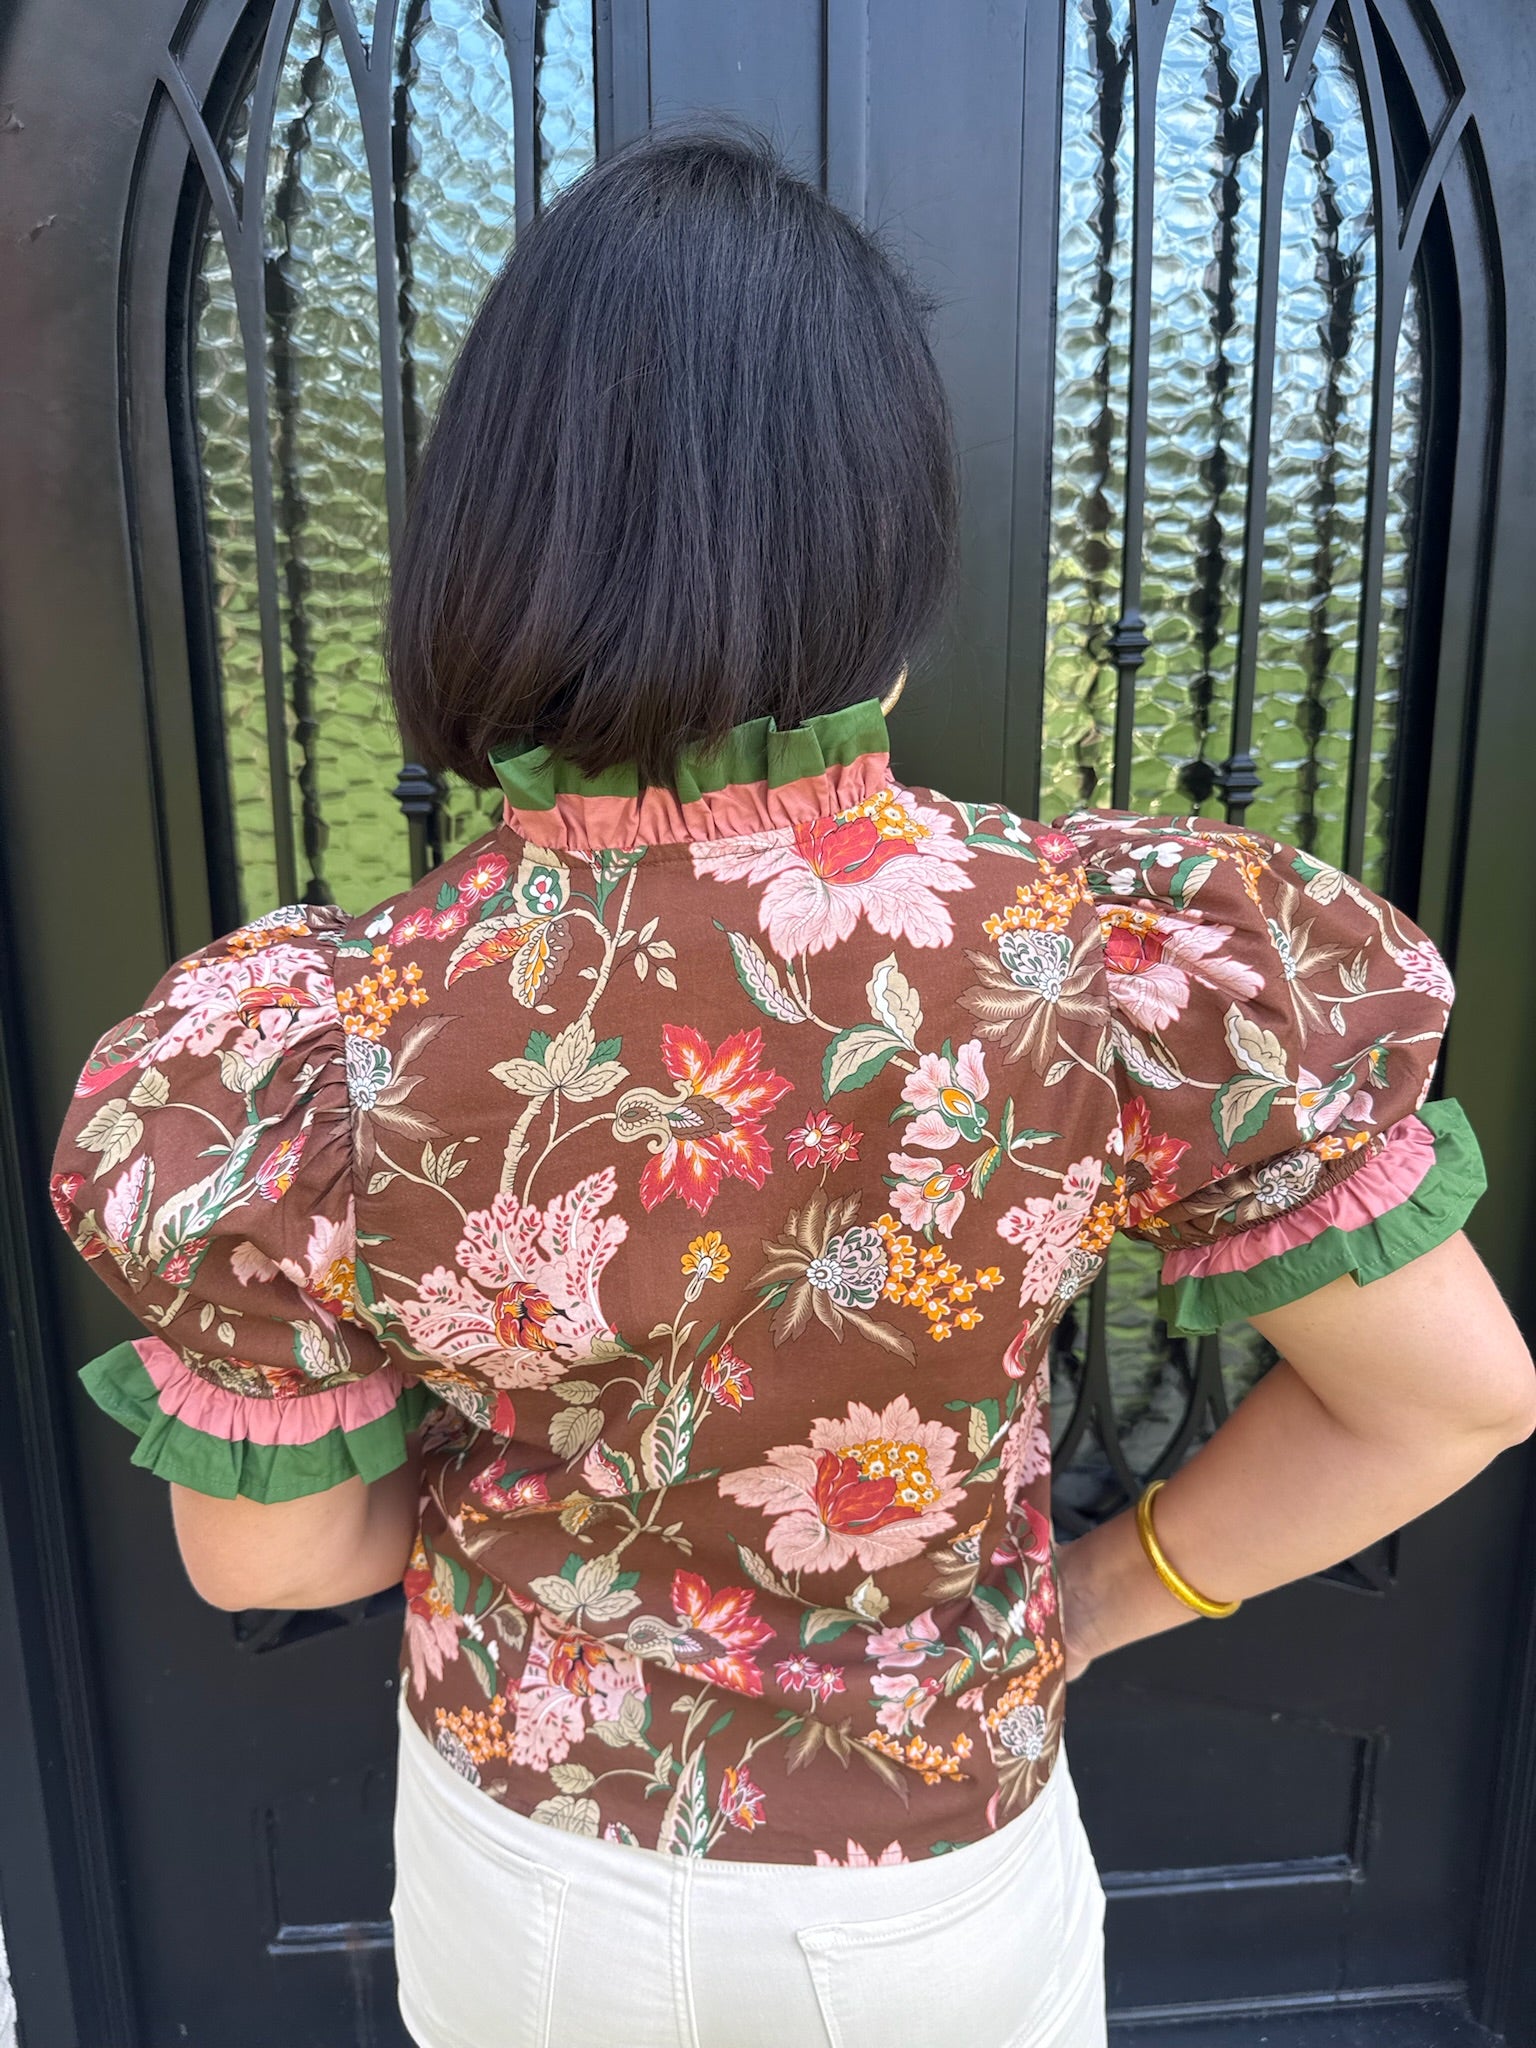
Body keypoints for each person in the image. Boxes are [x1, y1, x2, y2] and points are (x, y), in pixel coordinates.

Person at [49, 128, 1534, 2048]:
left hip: (521, 1867)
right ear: (888, 559)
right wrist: (1095, 1600)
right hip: (927, 1877)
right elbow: (1455, 1398)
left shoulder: (325, 1041)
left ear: (486, 551)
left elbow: (271, 1549)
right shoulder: (1096, 964)